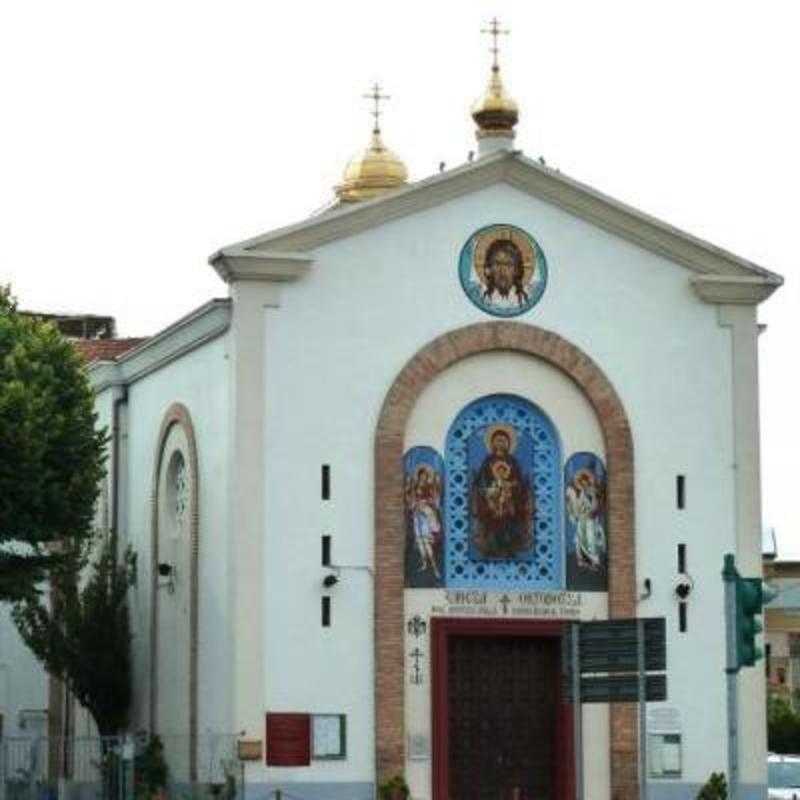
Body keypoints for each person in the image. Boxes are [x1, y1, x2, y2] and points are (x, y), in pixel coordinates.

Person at [471, 427, 534, 558]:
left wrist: (512, 486)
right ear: (492, 443)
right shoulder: (488, 461)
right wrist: (487, 489)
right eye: (497, 441)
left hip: (509, 497)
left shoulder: (512, 461)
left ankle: (510, 546)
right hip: (491, 496)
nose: (500, 443)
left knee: (509, 521)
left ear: (508, 443)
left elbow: (518, 480)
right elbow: (481, 480)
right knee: (492, 521)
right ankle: (491, 546)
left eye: (503, 441)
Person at [566, 467, 606, 571]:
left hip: (590, 521)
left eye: (585, 482)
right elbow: (576, 508)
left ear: (588, 482)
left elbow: (595, 505)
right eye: (581, 483)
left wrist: (591, 509)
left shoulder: (591, 492)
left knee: (591, 540)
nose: (583, 484)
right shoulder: (580, 494)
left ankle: (595, 561)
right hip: (582, 520)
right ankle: (582, 561)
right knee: (580, 540)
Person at [406, 465, 442, 578]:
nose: (423, 477)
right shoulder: (414, 487)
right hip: (418, 515)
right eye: (421, 476)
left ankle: (435, 568)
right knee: (421, 543)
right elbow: (411, 501)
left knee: (427, 543)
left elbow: (434, 500)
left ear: (426, 477)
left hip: (426, 514)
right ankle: (424, 564)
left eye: (425, 476)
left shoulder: (429, 487)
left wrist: (425, 502)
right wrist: (414, 503)